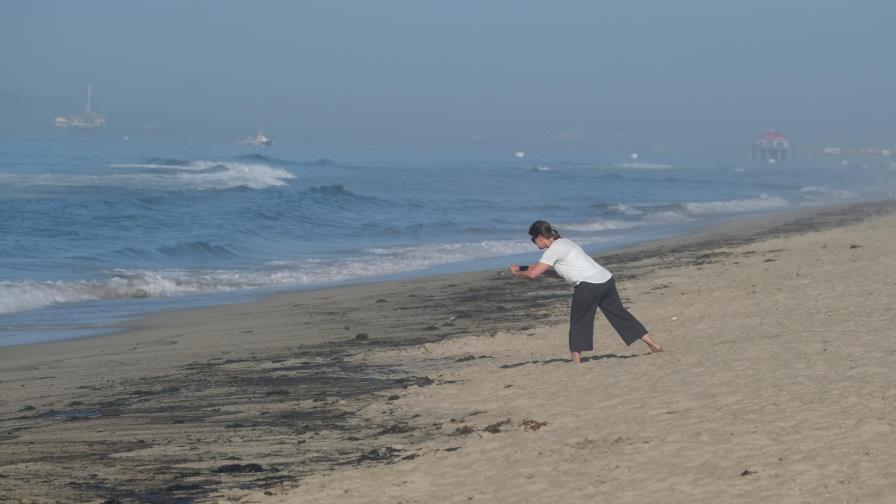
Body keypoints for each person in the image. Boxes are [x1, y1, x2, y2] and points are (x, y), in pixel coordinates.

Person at [510, 220, 662, 363]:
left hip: (588, 286)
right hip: (606, 280)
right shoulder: (565, 242)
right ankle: (654, 345)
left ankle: (576, 362)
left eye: (533, 240)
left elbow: (532, 274)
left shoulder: (553, 250)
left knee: (579, 322)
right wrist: (543, 272)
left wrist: (517, 273)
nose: (534, 243)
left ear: (540, 237)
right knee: (620, 315)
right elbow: (561, 274)